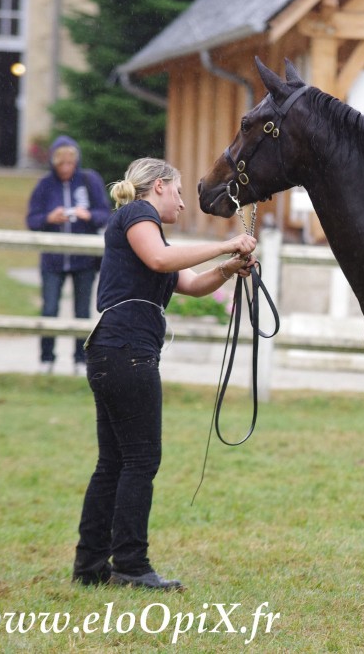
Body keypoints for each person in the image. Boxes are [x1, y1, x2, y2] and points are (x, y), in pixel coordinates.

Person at [72, 158, 258, 591]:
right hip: (127, 350)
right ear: (157, 187)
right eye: (177, 191)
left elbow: (190, 283)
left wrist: (229, 269)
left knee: (114, 461)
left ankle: (92, 562)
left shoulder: (145, 228)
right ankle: (131, 564)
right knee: (140, 459)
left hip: (115, 350)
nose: (181, 200)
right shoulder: (138, 215)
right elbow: (160, 260)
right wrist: (226, 245)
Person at [26, 135, 111, 375]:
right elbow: (32, 220)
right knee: (50, 309)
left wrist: (88, 216)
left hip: (84, 258)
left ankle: (80, 359)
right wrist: (49, 218)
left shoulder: (89, 180)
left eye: (69, 163)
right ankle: (46, 358)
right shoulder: (44, 185)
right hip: (53, 259)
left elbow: (104, 213)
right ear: (53, 163)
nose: (65, 168)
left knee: (82, 311)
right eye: (60, 164)